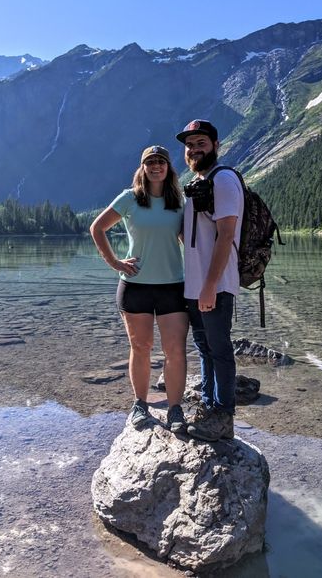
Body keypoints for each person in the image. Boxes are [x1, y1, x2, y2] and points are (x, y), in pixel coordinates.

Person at [90, 145, 188, 432]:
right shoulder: (130, 198)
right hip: (136, 286)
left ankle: (175, 409)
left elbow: (188, 239)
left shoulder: (179, 201)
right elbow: (97, 228)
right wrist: (115, 263)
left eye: (161, 162)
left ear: (169, 167)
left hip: (173, 286)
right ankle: (140, 405)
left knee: (175, 351)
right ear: (142, 168)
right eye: (150, 162)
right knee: (141, 347)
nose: (156, 166)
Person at [175, 120, 244, 442]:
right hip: (195, 286)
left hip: (214, 284)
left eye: (201, 142)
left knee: (219, 349)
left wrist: (209, 285)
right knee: (204, 349)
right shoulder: (197, 182)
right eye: (189, 145)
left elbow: (226, 233)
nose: (194, 149)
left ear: (216, 145)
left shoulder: (224, 179)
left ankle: (223, 415)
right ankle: (207, 406)